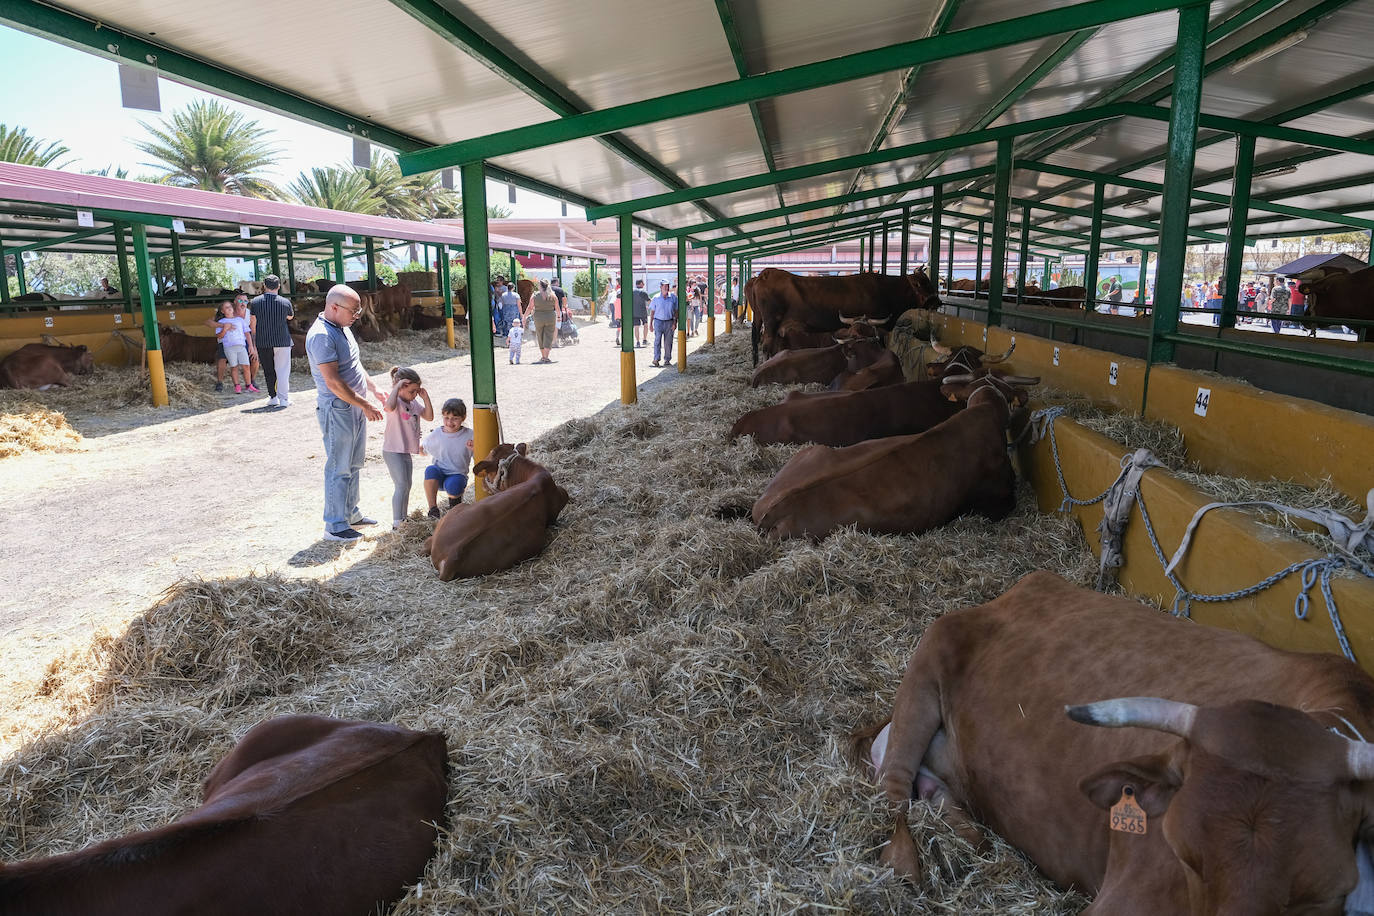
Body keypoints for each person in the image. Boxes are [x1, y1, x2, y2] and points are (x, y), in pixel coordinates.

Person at [306, 284, 385, 543]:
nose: (357, 315)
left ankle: (351, 513)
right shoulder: (321, 336)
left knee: (353, 463)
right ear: (334, 307)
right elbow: (334, 382)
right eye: (353, 310)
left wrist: (373, 389)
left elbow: (354, 364)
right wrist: (365, 404)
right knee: (339, 466)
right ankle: (335, 524)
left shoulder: (343, 328)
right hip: (338, 407)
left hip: (353, 405)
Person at [382, 366, 433, 530]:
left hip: (405, 450)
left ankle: (403, 519)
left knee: (407, 485)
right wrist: (396, 387)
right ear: (401, 387)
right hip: (392, 450)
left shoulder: (413, 403)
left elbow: (429, 417)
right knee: (401, 484)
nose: (414, 395)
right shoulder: (395, 401)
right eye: (412, 391)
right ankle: (397, 523)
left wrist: (425, 398)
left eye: (417, 391)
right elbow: (388, 408)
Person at [422, 398, 475, 518]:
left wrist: (474, 449)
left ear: (463, 417)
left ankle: (454, 510)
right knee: (430, 470)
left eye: (455, 418)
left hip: (457, 474)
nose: (450, 422)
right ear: (442, 416)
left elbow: (479, 458)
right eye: (446, 418)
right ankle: (433, 510)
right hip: (439, 474)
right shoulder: (437, 433)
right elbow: (424, 448)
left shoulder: (470, 435)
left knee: (454, 485)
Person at [250, 274, 295, 408]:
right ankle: (284, 399)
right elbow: (290, 317)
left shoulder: (255, 302)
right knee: (282, 370)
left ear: (264, 286)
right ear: (279, 287)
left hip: (263, 341)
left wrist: (254, 338)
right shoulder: (285, 302)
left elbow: (253, 322)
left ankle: (273, 397)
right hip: (282, 340)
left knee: (269, 370)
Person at [212, 300, 257, 394]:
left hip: (241, 346)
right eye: (226, 308)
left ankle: (249, 385)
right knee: (234, 366)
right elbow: (219, 336)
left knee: (246, 366)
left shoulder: (239, 320)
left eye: (230, 307)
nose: (229, 309)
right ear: (222, 311)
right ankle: (237, 386)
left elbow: (247, 333)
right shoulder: (221, 322)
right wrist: (225, 329)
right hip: (229, 347)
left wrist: (251, 346)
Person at [527, 278, 559, 364]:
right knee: (548, 336)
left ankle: (543, 357)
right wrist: (559, 317)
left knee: (540, 335)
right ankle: (546, 357)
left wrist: (524, 317)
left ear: (540, 286)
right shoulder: (553, 295)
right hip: (550, 317)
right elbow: (557, 308)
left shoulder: (535, 295)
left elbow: (530, 307)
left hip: (538, 318)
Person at [233, 295, 261, 390]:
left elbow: (253, 332)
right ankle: (222, 383)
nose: (243, 303)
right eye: (240, 300)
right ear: (235, 302)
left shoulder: (250, 314)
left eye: (245, 301)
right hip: (232, 341)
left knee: (255, 359)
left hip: (246, 340)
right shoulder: (230, 313)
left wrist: (254, 347)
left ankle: (252, 380)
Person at [649, 280, 677, 367]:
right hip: (658, 321)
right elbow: (652, 311)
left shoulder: (673, 298)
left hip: (669, 321)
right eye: (664, 286)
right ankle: (656, 358)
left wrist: (674, 322)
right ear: (660, 287)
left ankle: (667, 359)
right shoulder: (656, 298)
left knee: (668, 342)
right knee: (657, 340)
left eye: (667, 286)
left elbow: (676, 311)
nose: (666, 288)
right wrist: (651, 323)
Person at [631, 279, 650, 348]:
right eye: (643, 283)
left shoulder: (632, 291)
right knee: (645, 325)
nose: (644, 284)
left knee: (636, 327)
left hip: (634, 312)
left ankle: (638, 342)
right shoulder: (643, 292)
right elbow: (649, 301)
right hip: (643, 312)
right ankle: (644, 340)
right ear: (641, 283)